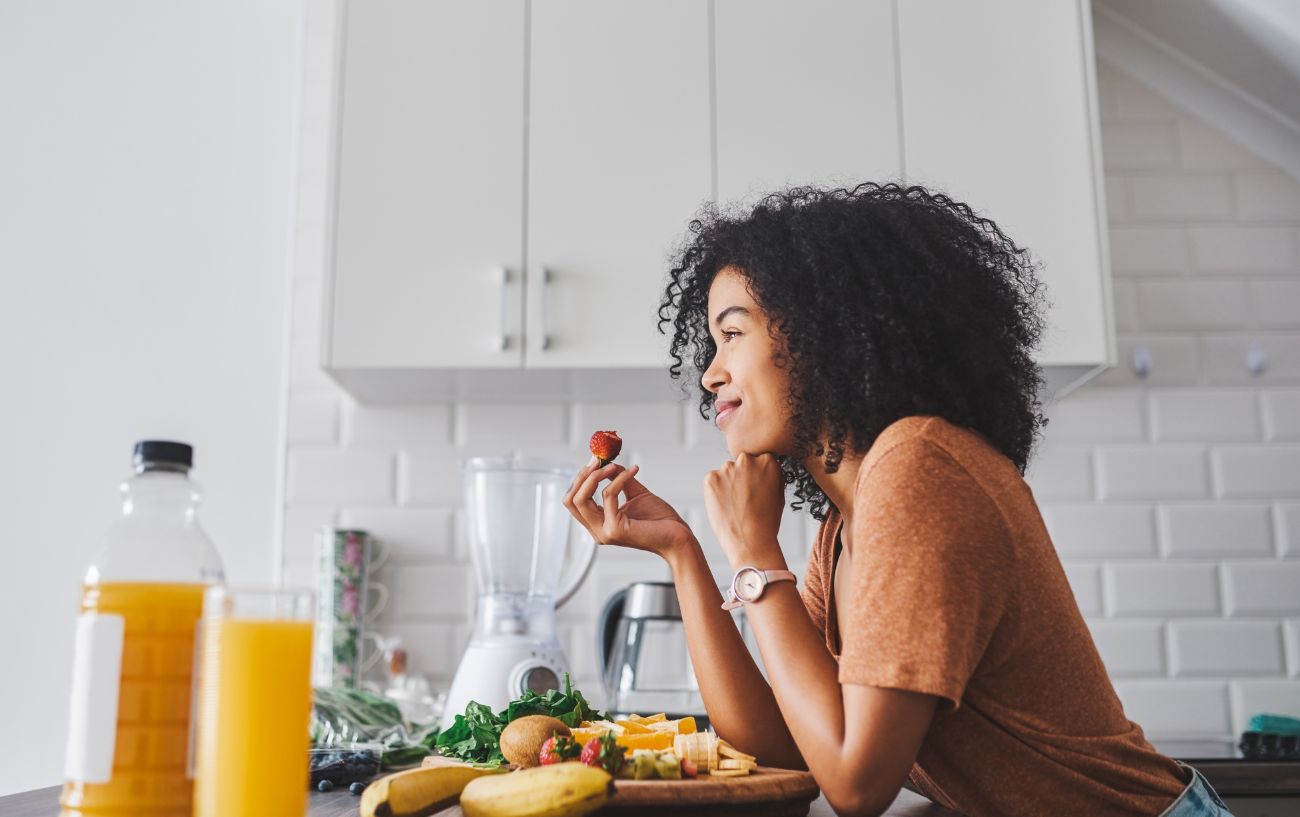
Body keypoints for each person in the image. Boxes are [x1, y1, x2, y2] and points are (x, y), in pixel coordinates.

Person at [562, 183, 1235, 817]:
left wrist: (756, 551)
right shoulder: (845, 525)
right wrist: (683, 553)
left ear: (820, 331)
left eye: (733, 333)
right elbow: (785, 745)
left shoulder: (918, 469)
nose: (711, 372)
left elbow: (857, 785)